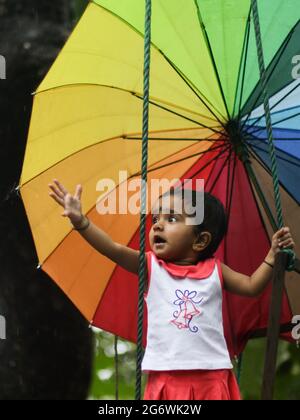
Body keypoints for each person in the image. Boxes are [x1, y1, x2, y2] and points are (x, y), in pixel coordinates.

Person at [48, 179, 295, 400]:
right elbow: (112, 249)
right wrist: (81, 221)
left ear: (200, 240)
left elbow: (252, 286)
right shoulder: (151, 266)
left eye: (172, 219)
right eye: (156, 219)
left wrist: (272, 257)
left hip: (212, 376)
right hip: (165, 378)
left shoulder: (216, 270)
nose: (157, 225)